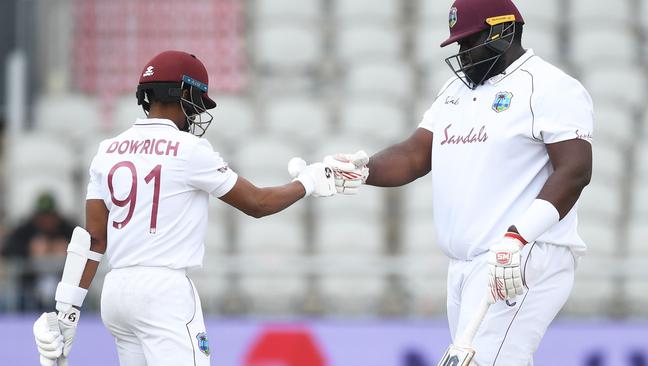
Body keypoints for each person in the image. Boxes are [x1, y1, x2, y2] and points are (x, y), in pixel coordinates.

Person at [325, 0, 593, 364]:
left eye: (470, 42)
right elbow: (416, 155)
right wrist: (365, 168)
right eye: (459, 45)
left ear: (503, 31)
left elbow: (575, 171)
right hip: (466, 264)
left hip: (522, 252)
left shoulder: (549, 87)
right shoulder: (455, 89)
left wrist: (518, 237)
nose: (463, 54)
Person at [33, 50, 336, 366]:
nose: (195, 114)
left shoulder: (106, 151)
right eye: (196, 103)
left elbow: (93, 239)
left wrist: (66, 310)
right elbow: (258, 204)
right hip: (163, 292)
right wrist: (308, 182)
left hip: (116, 293)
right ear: (185, 93)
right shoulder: (189, 149)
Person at [1, 192, 75, 311]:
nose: (46, 220)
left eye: (50, 216)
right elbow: (7, 249)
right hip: (29, 289)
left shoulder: (68, 229)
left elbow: (89, 248)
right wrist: (29, 250)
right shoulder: (25, 229)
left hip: (64, 287)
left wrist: (70, 250)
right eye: (42, 217)